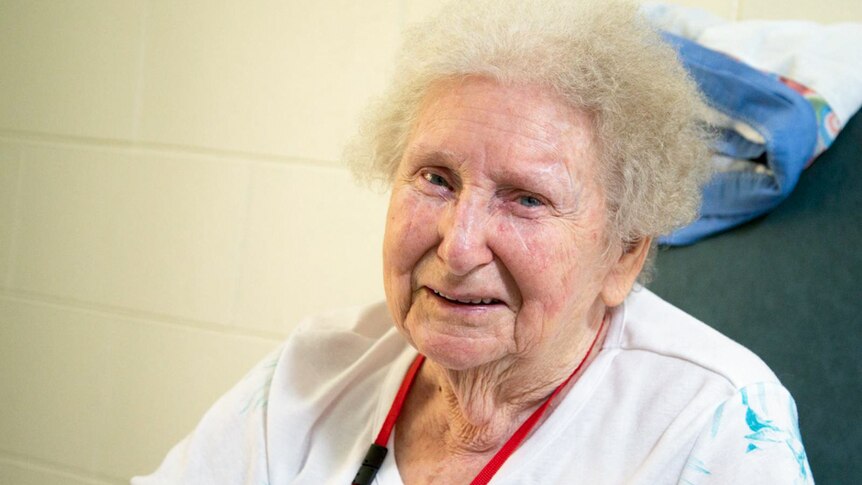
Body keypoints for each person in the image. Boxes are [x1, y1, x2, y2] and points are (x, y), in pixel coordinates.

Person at [133, 0, 813, 483]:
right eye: (435, 177)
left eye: (526, 198)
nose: (459, 247)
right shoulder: (312, 376)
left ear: (624, 254)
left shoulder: (712, 423)